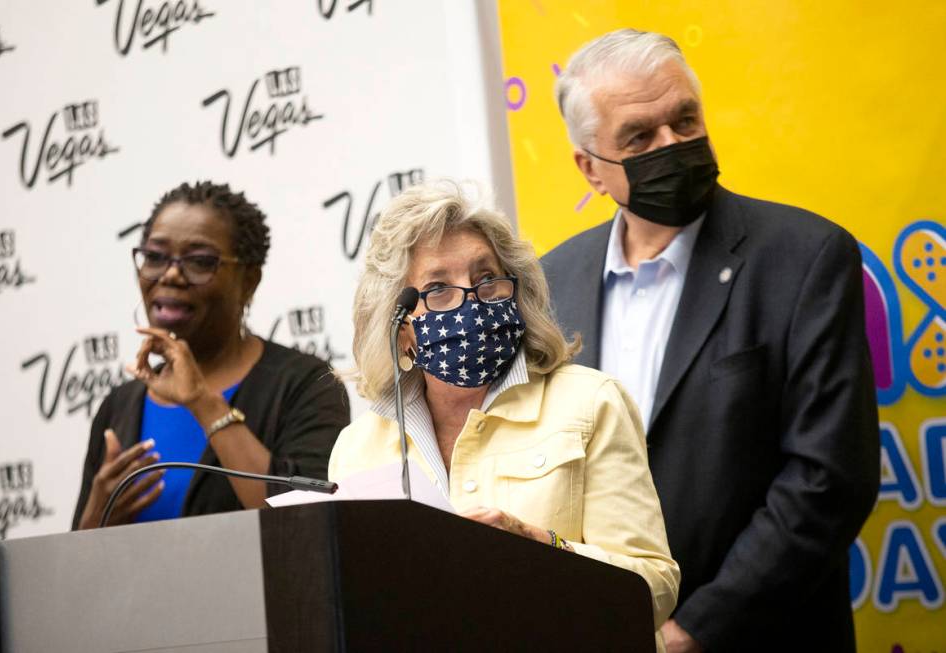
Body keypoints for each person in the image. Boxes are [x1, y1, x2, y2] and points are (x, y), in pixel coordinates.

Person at [542, 29, 880, 652]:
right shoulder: (550, 283)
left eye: (685, 120)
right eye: (640, 137)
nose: (672, 145)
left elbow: (830, 477)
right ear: (589, 167)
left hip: (766, 634)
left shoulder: (803, 257)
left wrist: (692, 631)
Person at [328, 180, 680, 647]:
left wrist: (539, 548)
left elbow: (654, 589)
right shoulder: (357, 448)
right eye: (437, 289)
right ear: (402, 331)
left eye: (485, 279)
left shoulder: (590, 402)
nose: (470, 301)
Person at [73, 181, 350, 529]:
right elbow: (80, 566)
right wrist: (96, 516)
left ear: (249, 281)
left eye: (200, 261)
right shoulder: (119, 406)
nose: (171, 274)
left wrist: (204, 403)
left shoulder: (306, 384)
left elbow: (307, 525)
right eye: (155, 257)